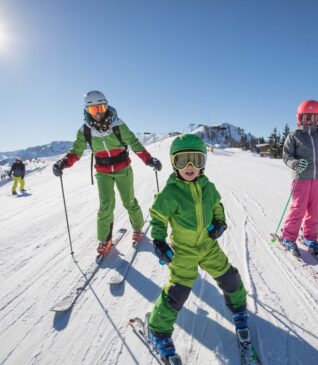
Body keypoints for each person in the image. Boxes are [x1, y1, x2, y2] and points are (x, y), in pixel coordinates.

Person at [146, 134, 247, 360]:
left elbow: (217, 205)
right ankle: (157, 329)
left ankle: (239, 310)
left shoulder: (208, 186)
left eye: (196, 160)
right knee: (178, 292)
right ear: (174, 164)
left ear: (203, 163)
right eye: (183, 161)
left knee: (230, 278)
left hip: (208, 246)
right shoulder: (170, 193)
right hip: (184, 251)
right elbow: (158, 217)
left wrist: (219, 222)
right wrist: (160, 240)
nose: (190, 166)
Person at [52, 90, 162, 255]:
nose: (97, 113)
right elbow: (76, 150)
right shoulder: (85, 130)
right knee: (105, 206)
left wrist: (148, 159)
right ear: (87, 111)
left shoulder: (117, 125)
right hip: (103, 172)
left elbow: (133, 142)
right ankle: (105, 239)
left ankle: (138, 228)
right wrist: (64, 163)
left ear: (106, 106)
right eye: (92, 110)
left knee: (129, 201)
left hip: (123, 169)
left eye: (100, 108)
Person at [281, 100, 318, 255]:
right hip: (301, 179)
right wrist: (295, 163)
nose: (309, 120)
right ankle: (288, 237)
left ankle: (310, 237)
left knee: (315, 210)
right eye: (306, 117)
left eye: (313, 117)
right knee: (298, 209)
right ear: (299, 117)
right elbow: (286, 156)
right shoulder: (294, 136)